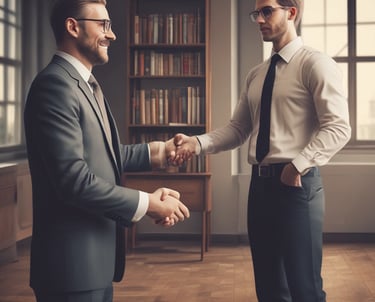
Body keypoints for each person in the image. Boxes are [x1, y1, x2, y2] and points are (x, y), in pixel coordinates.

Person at [170, 0, 351, 301]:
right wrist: (196, 143)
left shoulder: (315, 63)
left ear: (291, 12)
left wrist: (297, 166)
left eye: (268, 11)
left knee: (304, 287)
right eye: (257, 13)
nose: (260, 20)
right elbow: (238, 129)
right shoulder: (256, 74)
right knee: (268, 287)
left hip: (296, 184)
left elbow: (338, 127)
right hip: (260, 186)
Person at [24, 0, 190, 301]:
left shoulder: (84, 85)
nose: (112, 35)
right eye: (103, 25)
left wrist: (160, 151)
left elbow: (105, 154)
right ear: (73, 27)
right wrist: (148, 203)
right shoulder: (54, 86)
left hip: (94, 265)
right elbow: (73, 180)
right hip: (69, 269)